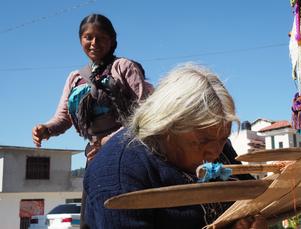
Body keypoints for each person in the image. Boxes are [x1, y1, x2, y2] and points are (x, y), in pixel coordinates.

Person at [83, 64, 267, 228]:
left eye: (223, 139)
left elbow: (253, 195)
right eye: (203, 141)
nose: (215, 151)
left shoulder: (217, 145)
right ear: (166, 127)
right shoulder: (119, 175)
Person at [31, 14, 153, 228]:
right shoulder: (75, 78)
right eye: (88, 37)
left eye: (101, 37)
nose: (94, 43)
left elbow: (146, 111)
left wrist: (110, 142)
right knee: (91, 220)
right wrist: (46, 129)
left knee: (122, 217)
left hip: (128, 153)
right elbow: (63, 118)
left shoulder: (124, 68)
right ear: (80, 40)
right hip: (94, 158)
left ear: (112, 40)